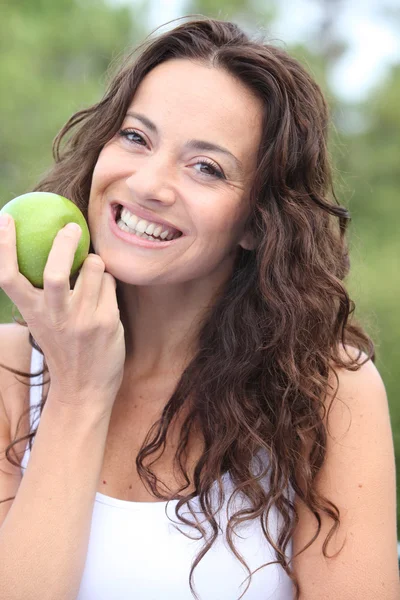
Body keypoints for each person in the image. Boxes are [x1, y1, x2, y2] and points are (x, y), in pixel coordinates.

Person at [0, 15, 398, 600]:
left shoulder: (325, 390)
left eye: (206, 167)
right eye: (136, 137)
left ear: (257, 224)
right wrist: (79, 391)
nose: (148, 184)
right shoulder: (10, 372)